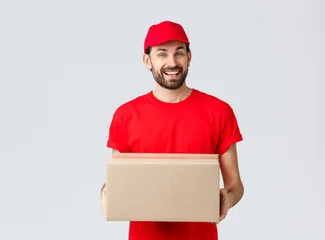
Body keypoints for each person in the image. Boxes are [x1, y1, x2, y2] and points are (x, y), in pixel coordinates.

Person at [99, 20, 245, 240]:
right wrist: (105, 193)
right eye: (162, 54)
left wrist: (228, 198)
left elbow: (235, 184)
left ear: (189, 57)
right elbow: (120, 182)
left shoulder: (219, 112)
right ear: (147, 61)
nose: (172, 62)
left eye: (179, 53)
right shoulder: (126, 116)